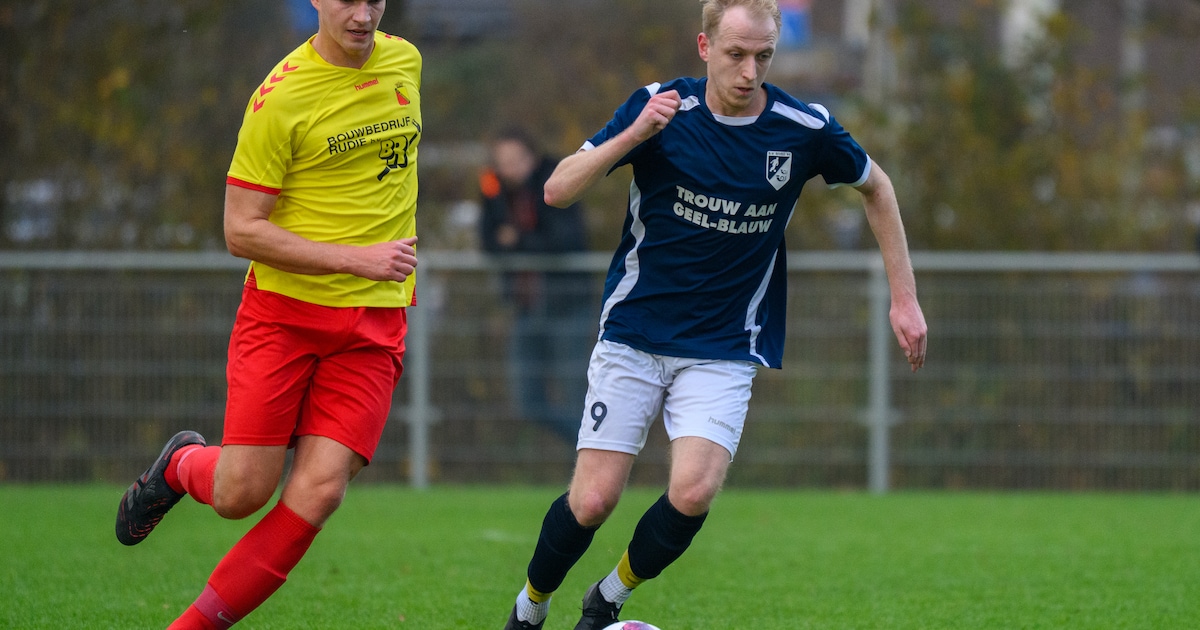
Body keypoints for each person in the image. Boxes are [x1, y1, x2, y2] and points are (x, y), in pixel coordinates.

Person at [502, 1, 928, 629]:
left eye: (764, 56)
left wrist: (904, 297)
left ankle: (608, 600)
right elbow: (557, 188)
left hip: (725, 343)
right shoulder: (660, 106)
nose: (750, 71)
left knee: (695, 491)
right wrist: (632, 135)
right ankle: (530, 607)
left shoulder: (802, 127)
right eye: (736, 54)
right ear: (704, 47)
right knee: (593, 499)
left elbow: (878, 188)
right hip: (635, 331)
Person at [114, 1, 421, 627]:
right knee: (241, 494)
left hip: (372, 324)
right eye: (347, 0)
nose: (362, 14)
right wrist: (353, 259)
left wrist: (369, 265)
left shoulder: (406, 62)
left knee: (320, 490)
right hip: (283, 317)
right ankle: (178, 465)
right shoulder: (278, 100)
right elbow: (239, 231)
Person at [479, 128, 592, 445]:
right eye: (503, 162)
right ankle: (592, 450)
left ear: (532, 156)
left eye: (516, 159)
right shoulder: (494, 190)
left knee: (576, 396)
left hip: (567, 305)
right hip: (525, 307)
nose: (510, 168)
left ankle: (588, 472)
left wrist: (518, 241)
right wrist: (516, 244)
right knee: (527, 400)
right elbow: (489, 241)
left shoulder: (558, 178)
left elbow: (566, 238)